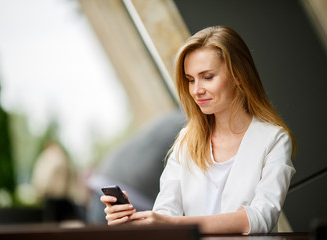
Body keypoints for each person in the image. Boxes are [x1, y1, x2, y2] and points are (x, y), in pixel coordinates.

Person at [100, 26, 296, 234]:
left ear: (239, 75)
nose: (196, 90)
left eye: (208, 77)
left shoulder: (274, 139)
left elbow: (261, 217)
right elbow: (166, 212)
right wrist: (134, 219)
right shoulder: (187, 140)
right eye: (191, 80)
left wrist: (170, 223)